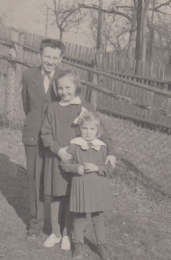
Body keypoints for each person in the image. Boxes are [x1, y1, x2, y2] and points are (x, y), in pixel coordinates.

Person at [41, 69, 115, 251]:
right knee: (56, 195)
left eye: (68, 87)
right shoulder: (52, 108)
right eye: (60, 88)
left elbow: (101, 131)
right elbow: (46, 133)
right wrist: (58, 150)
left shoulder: (87, 107)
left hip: (80, 162)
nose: (64, 92)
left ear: (76, 87)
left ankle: (67, 233)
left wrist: (111, 152)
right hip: (59, 159)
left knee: (71, 197)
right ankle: (56, 232)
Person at [21, 38, 65, 238]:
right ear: (40, 55)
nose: (50, 61)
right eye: (47, 56)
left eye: (55, 57)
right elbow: (26, 104)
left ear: (61, 59)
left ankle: (60, 227)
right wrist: (34, 125)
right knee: (34, 178)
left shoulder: (65, 78)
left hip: (57, 139)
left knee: (58, 180)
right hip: (33, 136)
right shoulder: (29, 75)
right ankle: (36, 223)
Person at [61, 111, 116, 260]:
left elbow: (110, 168)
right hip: (80, 186)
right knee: (79, 216)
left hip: (98, 187)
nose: (88, 132)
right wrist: (75, 168)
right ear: (80, 129)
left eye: (92, 129)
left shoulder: (102, 147)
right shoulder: (74, 145)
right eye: (85, 128)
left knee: (98, 217)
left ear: (98, 131)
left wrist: (97, 168)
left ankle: (102, 245)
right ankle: (78, 244)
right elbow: (64, 163)